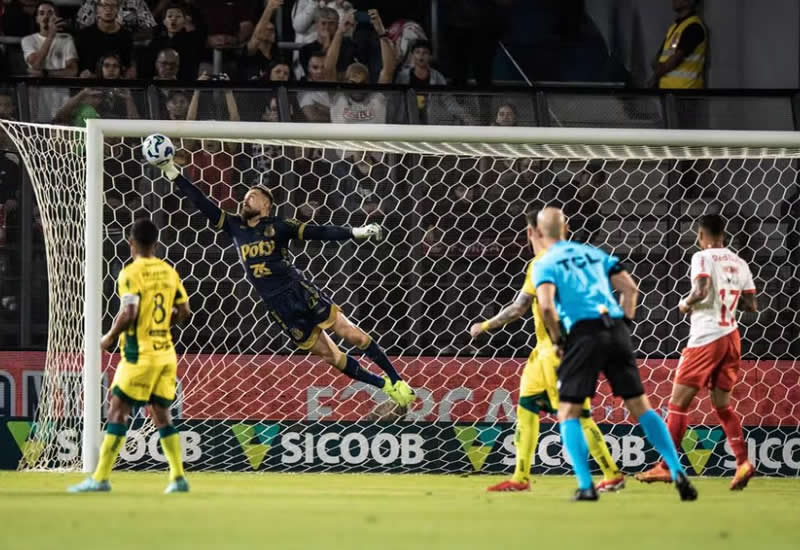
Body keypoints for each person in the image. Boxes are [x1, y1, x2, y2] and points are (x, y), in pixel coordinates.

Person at [152, 156, 416, 411]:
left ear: (266, 205)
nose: (246, 199)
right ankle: (384, 385)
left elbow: (318, 232)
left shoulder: (279, 226)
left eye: (252, 196)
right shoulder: (234, 226)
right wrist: (174, 173)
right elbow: (201, 202)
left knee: (353, 335)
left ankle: (396, 378)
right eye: (245, 196)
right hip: (279, 307)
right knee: (332, 357)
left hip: (299, 291)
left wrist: (355, 232)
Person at [530, 207, 697, 501]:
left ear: (538, 233)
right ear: (566, 228)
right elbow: (631, 289)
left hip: (583, 334)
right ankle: (676, 470)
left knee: (568, 411)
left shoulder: (546, 262)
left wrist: (559, 340)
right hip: (616, 329)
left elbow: (546, 307)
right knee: (641, 406)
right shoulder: (595, 254)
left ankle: (586, 486)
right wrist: (625, 323)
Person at [469, 206, 624, 493]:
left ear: (532, 233)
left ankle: (611, 472)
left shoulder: (542, 263)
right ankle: (520, 477)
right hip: (542, 353)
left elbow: (519, 308)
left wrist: (485, 325)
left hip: (559, 350)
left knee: (576, 414)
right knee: (526, 408)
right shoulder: (576, 262)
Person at [68, 219, 191, 493]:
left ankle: (99, 478)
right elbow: (184, 312)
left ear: (131, 243)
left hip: (140, 355)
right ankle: (178, 477)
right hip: (166, 353)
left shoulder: (130, 273)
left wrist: (109, 337)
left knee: (117, 410)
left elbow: (129, 313)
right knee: (161, 413)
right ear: (156, 244)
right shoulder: (169, 272)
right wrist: (161, 323)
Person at [636, 214, 757, 490]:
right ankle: (742, 463)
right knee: (722, 406)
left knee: (678, 405)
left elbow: (700, 290)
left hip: (706, 337)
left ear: (701, 236)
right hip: (731, 338)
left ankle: (666, 467)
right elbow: (751, 305)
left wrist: (684, 303)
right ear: (724, 235)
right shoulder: (740, 263)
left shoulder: (701, 258)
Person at [329, 11, 394, 124]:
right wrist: (339, 32)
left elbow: (388, 69)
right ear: (345, 81)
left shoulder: (376, 99)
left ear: (368, 82)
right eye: (353, 83)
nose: (358, 88)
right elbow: (329, 68)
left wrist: (381, 32)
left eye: (362, 83)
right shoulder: (338, 99)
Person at [21, 2, 79, 122]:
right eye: (41, 13)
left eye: (50, 13)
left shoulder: (66, 39)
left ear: (56, 17)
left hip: (61, 97)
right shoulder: (28, 40)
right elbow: (36, 63)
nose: (46, 16)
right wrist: (51, 36)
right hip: (37, 98)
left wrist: (46, 74)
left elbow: (73, 71)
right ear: (37, 19)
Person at [649, 0, 707, 89]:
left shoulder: (694, 27)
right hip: (670, 94)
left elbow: (674, 60)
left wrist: (656, 74)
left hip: (686, 94)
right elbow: (656, 60)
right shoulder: (675, 27)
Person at [76, 0, 135, 78]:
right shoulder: (85, 35)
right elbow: (81, 66)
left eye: (113, 5)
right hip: (91, 84)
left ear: (118, 9)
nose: (108, 9)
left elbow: (128, 66)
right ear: (97, 9)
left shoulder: (126, 36)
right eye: (104, 5)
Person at [240, 0, 282, 80]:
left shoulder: (277, 57)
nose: (270, 31)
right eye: (266, 29)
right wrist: (269, 8)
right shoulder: (250, 53)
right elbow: (257, 37)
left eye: (272, 30)